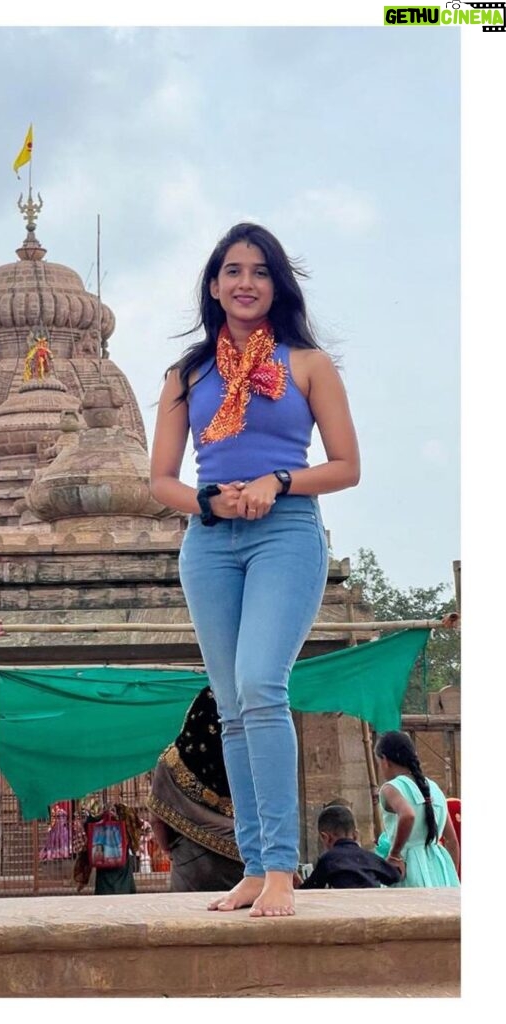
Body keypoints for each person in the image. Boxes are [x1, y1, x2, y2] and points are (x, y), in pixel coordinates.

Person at [150, 222, 360, 917]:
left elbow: (344, 466)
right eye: (232, 270)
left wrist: (279, 479)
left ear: (277, 285)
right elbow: (161, 481)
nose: (245, 282)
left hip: (284, 534)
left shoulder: (307, 364)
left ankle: (279, 867)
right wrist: (207, 500)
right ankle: (250, 863)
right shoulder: (186, 376)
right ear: (213, 286)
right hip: (209, 541)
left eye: (260, 271)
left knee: (260, 686)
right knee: (232, 707)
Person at [147, 686, 245, 892]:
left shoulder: (171, 761)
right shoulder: (251, 759)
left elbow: (156, 820)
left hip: (192, 866)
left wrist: (168, 849)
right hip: (249, 859)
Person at [374, 730, 460, 887]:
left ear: (385, 760)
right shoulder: (434, 788)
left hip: (409, 868)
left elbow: (408, 815)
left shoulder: (391, 788)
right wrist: (450, 874)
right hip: (440, 869)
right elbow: (452, 841)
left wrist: (394, 854)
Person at [299, 804, 402, 890]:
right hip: (371, 906)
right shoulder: (368, 857)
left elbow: (312, 886)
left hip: (346, 908)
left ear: (325, 837)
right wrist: (399, 866)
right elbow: (394, 876)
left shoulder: (328, 859)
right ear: (356, 835)